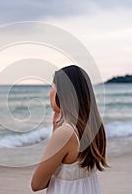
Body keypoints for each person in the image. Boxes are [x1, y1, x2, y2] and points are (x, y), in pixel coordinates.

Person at [31, 65, 108, 193]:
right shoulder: (93, 127)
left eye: (53, 87)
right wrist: (56, 127)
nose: (50, 92)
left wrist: (57, 131)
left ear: (62, 93)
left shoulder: (65, 133)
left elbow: (37, 184)